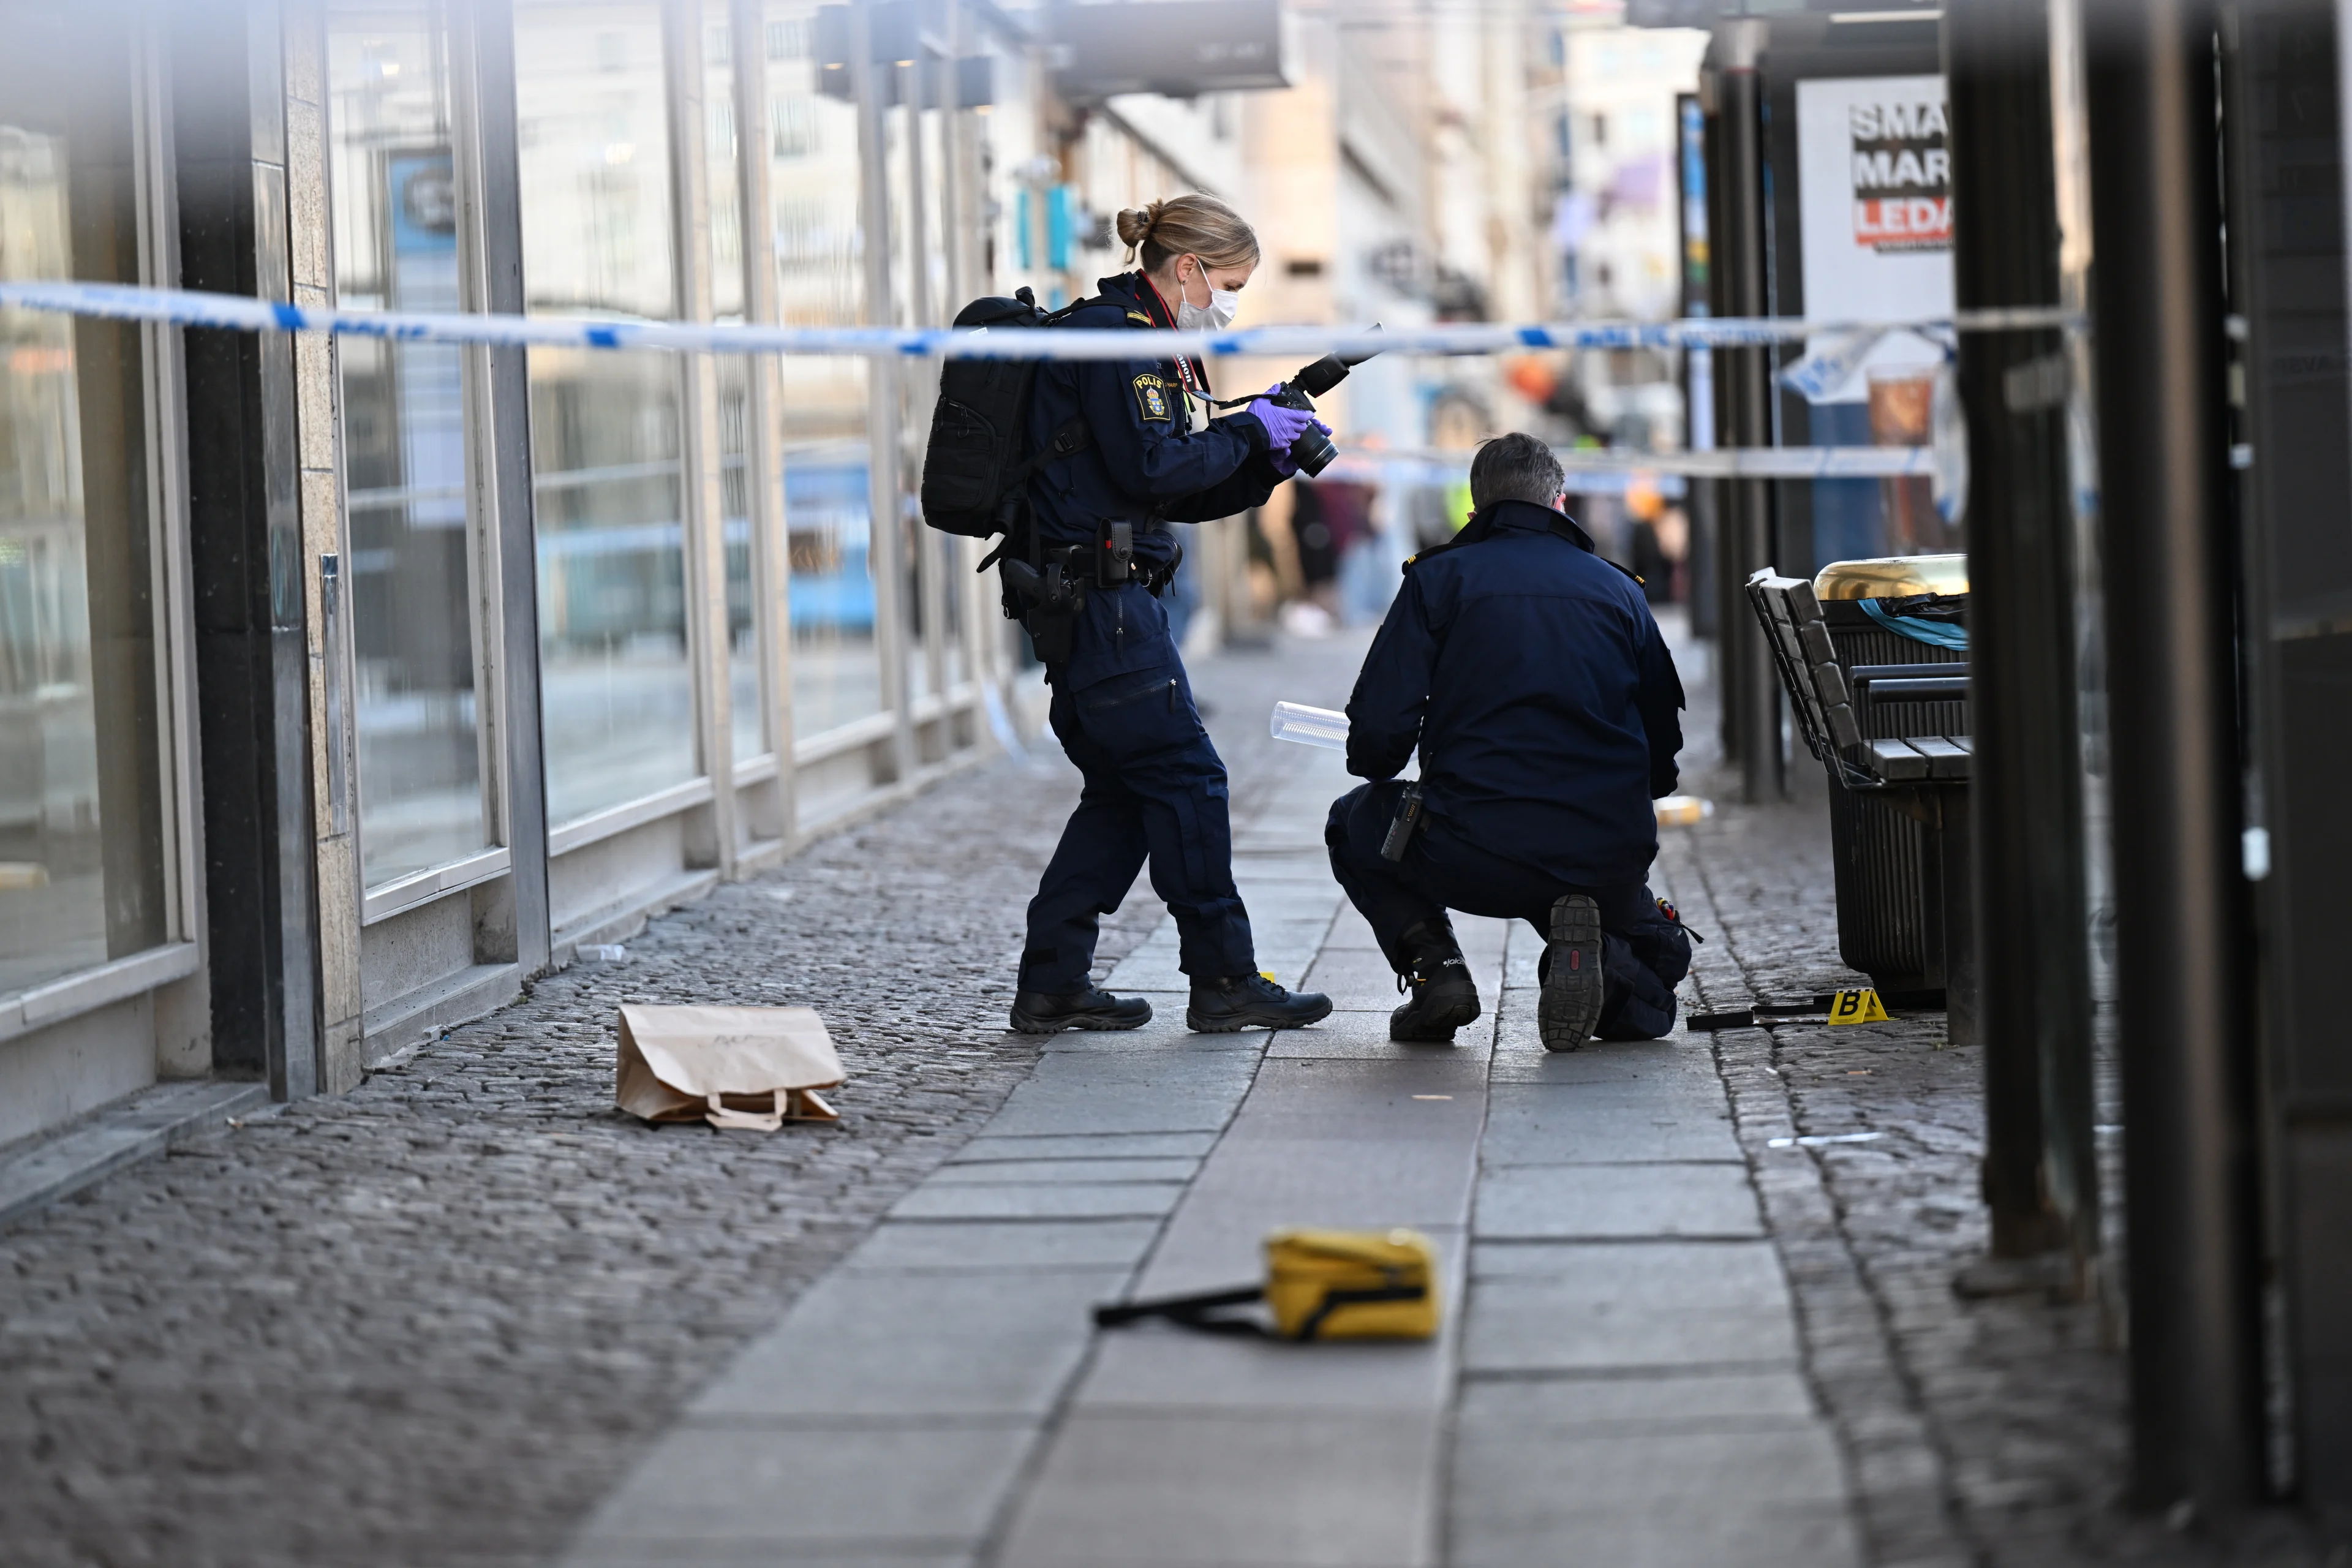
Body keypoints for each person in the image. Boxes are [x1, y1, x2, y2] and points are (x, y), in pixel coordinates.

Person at [1006, 194, 1335, 1037]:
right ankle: (1224, 978)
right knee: (1189, 781)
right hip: (1103, 609)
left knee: (1122, 796)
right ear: (1185, 267)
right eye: (1226, 283)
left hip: (1096, 607)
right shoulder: (1120, 340)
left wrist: (1265, 452)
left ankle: (1053, 982)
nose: (1227, 302)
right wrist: (1247, 432)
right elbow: (1156, 465)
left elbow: (1175, 489)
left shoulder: (1148, 341)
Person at [1324, 433, 1695, 1050]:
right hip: (1604, 853)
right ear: (1561, 502)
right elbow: (1663, 752)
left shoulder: (1437, 581)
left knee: (1355, 823)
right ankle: (1601, 958)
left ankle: (1437, 976)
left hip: (1473, 850)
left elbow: (1379, 744)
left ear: (1474, 511)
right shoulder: (1622, 591)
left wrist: (1389, 758)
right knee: (1661, 969)